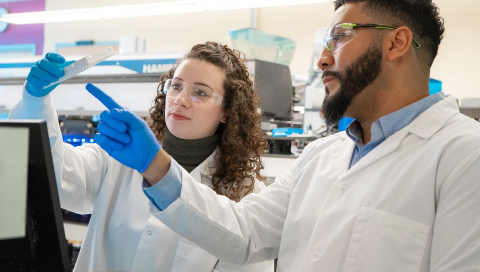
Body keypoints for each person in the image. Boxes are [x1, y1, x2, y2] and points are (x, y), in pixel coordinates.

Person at [83, 0, 480, 271]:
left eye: (340, 37)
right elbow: (243, 232)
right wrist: (156, 164)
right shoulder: (320, 157)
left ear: (396, 42)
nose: (323, 58)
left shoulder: (464, 156)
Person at [8, 42, 274, 272]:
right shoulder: (120, 156)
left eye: (200, 92)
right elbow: (56, 179)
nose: (181, 99)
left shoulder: (246, 195)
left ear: (228, 111)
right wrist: (36, 100)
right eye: (176, 86)